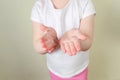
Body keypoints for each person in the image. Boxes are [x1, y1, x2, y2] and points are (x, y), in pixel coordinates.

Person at [30, 0, 96, 80]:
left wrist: (75, 41)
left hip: (79, 70)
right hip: (55, 71)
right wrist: (48, 42)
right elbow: (37, 46)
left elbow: (88, 40)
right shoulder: (39, 7)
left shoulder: (84, 3)